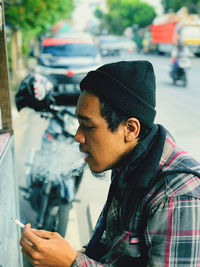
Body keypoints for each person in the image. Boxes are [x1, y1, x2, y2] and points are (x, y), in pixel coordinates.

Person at [20, 60, 200, 266]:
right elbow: (113, 245)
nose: (78, 136)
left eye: (87, 126)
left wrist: (72, 262)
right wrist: (70, 255)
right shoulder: (128, 163)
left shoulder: (177, 197)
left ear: (130, 129)